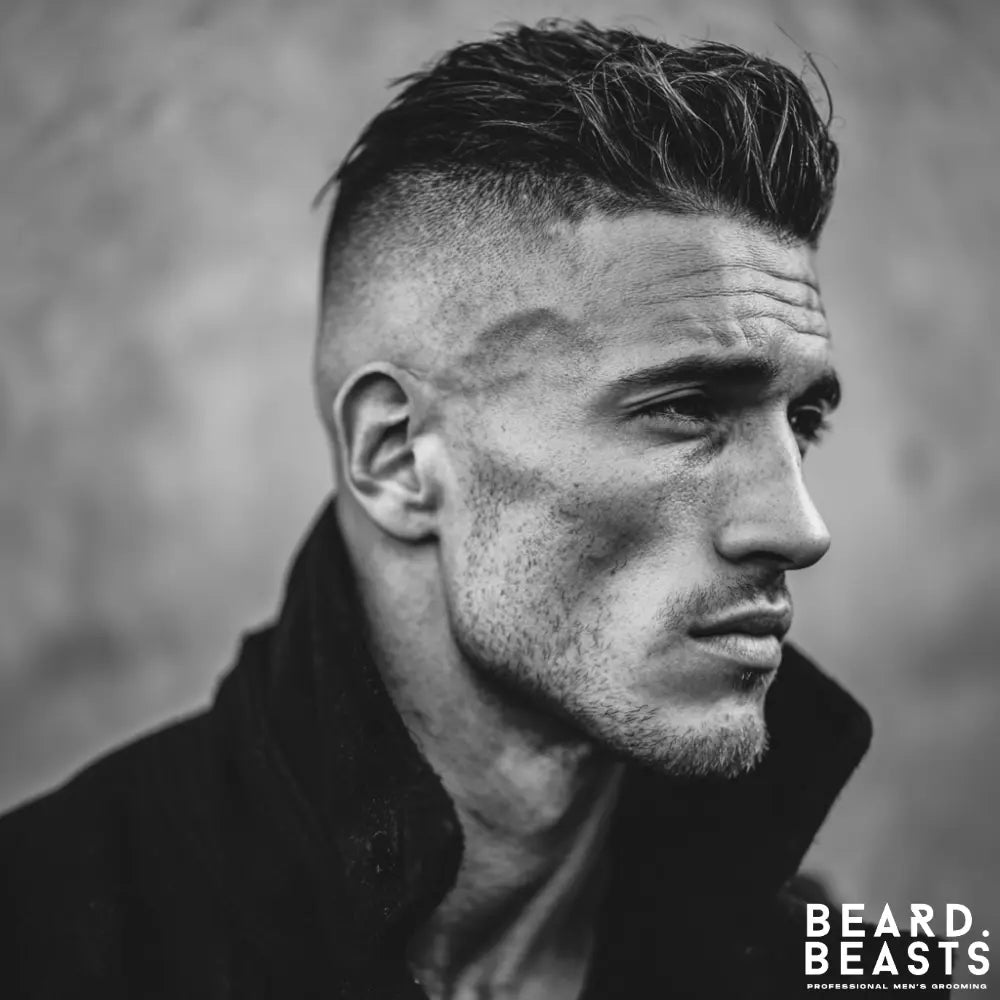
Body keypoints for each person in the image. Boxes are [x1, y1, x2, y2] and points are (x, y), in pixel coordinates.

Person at [0, 19, 948, 999]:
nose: (799, 527)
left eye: (803, 423)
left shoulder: (862, 973)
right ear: (399, 460)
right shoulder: (43, 935)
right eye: (686, 408)